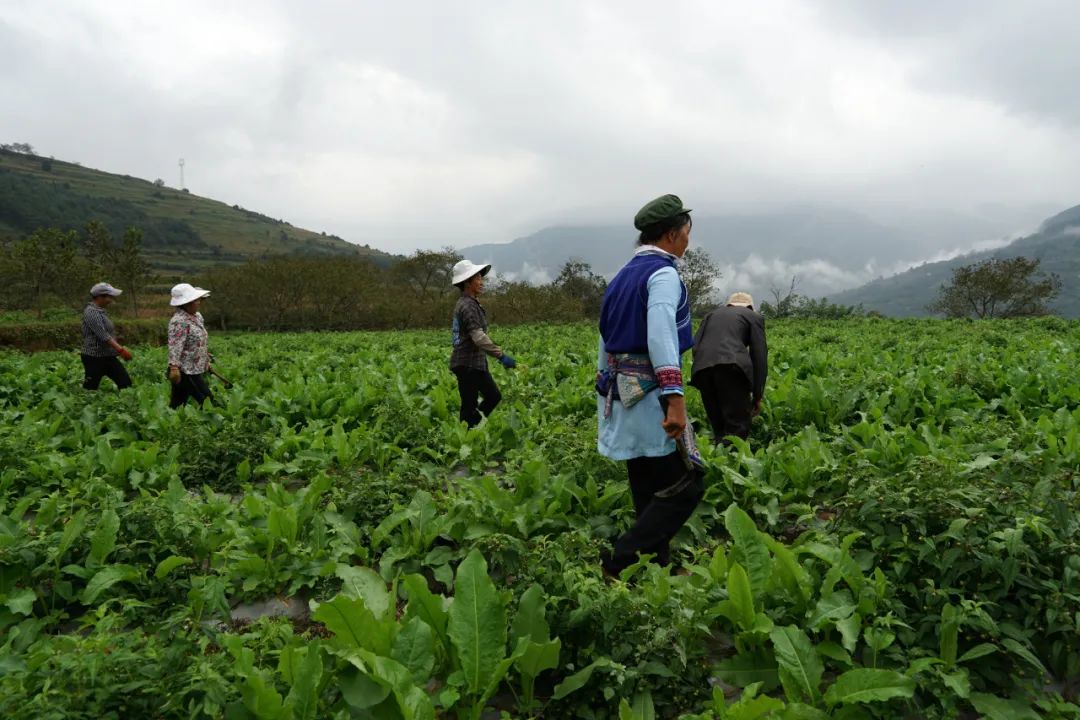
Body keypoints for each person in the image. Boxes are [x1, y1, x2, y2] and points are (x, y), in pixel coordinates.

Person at [596, 194, 705, 577]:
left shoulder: (623, 275)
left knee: (647, 486)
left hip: (625, 395)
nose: (688, 242)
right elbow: (661, 336)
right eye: (687, 233)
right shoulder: (663, 275)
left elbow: (604, 340)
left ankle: (656, 569)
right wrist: (675, 401)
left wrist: (606, 395)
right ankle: (621, 559)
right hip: (653, 399)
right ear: (673, 234)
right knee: (688, 486)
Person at [690, 292, 768, 445]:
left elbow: (695, 346)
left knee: (718, 424)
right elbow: (759, 355)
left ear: (729, 305)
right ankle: (731, 463)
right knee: (737, 428)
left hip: (701, 368)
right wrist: (758, 394)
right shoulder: (753, 317)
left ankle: (715, 463)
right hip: (732, 367)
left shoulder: (711, 315)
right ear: (750, 307)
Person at [449, 259, 516, 427]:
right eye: (478, 278)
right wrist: (501, 355)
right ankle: (468, 433)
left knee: (481, 400)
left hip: (470, 363)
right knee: (482, 401)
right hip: (468, 364)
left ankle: (470, 430)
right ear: (467, 282)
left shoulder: (467, 303)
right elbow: (478, 337)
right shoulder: (468, 305)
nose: (481, 282)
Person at [167, 283, 214, 408]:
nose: (199, 302)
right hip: (185, 370)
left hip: (194, 366)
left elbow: (197, 341)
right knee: (207, 400)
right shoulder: (179, 321)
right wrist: (174, 368)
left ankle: (172, 423)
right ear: (187, 303)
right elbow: (175, 345)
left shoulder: (197, 316)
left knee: (177, 403)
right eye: (196, 300)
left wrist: (205, 358)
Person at [80, 282, 134, 391]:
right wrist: (121, 350)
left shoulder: (100, 311)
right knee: (90, 388)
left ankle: (125, 404)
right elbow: (103, 335)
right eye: (110, 296)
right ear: (100, 297)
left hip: (108, 355)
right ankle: (85, 406)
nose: (112, 298)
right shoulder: (91, 313)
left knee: (125, 383)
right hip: (94, 356)